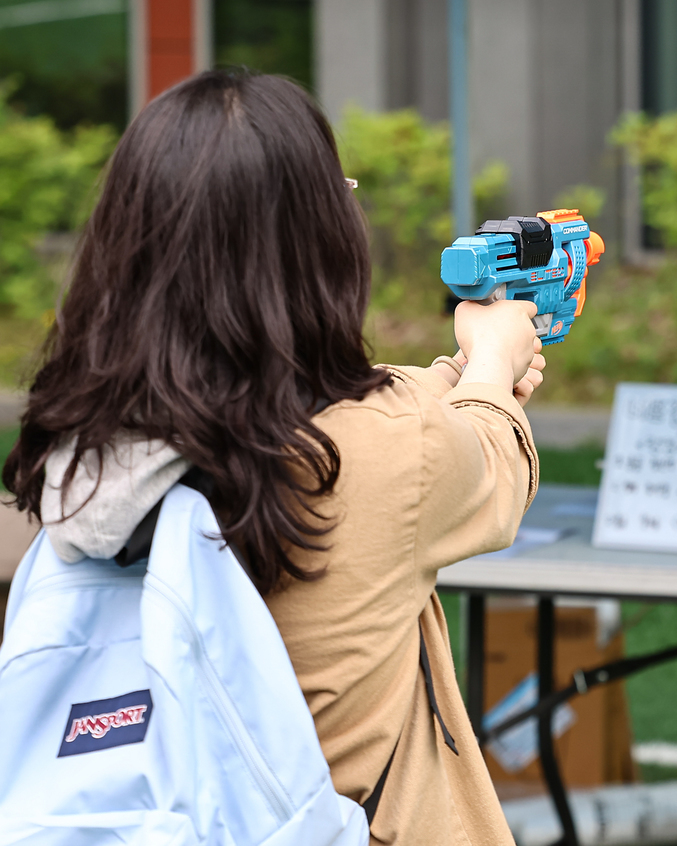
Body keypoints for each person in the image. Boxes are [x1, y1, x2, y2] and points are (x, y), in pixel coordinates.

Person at [1, 69, 540, 845]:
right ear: (319, 239)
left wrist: (449, 378)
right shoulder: (390, 444)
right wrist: (490, 363)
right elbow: (489, 463)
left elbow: (339, 409)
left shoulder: (88, 447)